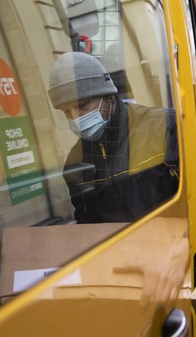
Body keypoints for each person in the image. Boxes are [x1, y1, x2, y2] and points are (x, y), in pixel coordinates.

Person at [48, 51, 179, 223]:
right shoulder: (76, 163)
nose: (75, 118)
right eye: (66, 111)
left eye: (82, 106)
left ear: (109, 96)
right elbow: (86, 226)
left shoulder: (165, 127)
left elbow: (190, 198)